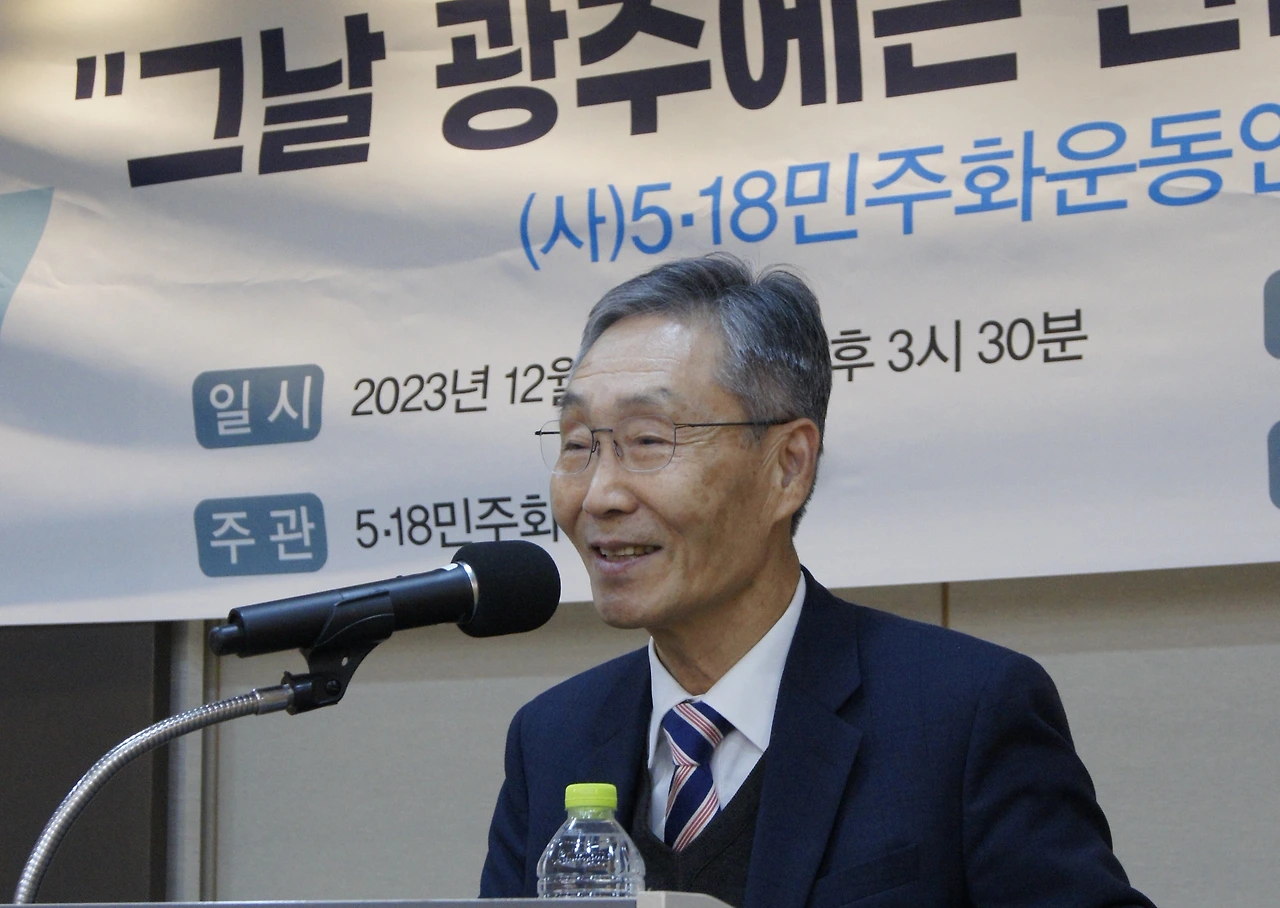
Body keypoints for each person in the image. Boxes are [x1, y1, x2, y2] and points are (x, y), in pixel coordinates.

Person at [479, 253, 1154, 908]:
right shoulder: (552, 737)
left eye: (649, 440)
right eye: (576, 444)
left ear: (788, 466)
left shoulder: (962, 715)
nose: (599, 494)